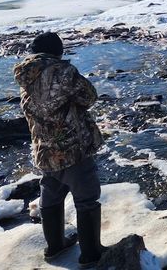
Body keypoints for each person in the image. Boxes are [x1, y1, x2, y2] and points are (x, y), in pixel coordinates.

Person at [14, 32, 105, 268]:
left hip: (44, 150)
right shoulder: (63, 71)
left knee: (51, 195)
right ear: (58, 51)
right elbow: (89, 97)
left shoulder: (25, 75)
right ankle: (91, 254)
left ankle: (55, 247)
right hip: (72, 148)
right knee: (86, 198)